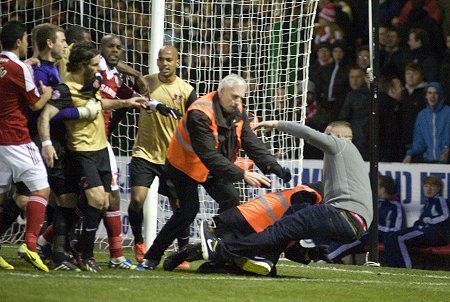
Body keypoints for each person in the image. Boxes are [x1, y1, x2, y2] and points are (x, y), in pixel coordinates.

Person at [137, 74, 292, 270]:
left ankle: (216, 251)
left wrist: (274, 166)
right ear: (221, 92)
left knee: (232, 202)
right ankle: (152, 256)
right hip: (184, 166)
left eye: (241, 98)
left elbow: (250, 142)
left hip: (213, 167)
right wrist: (242, 174)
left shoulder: (238, 111)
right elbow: (208, 154)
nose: (238, 102)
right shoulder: (199, 112)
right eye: (234, 97)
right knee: (187, 212)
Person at [200, 120, 372, 276]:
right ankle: (267, 257)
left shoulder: (341, 145)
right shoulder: (350, 159)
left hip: (342, 214)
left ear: (340, 136)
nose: (324, 138)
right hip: (356, 226)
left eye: (327, 134)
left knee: (278, 229)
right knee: (294, 214)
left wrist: (277, 125)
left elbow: (310, 134)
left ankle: (220, 250)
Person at [37, 42, 146, 272]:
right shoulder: (65, 90)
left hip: (100, 150)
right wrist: (46, 144)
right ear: (82, 65)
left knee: (103, 202)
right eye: (95, 64)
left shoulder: (92, 83)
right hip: (82, 151)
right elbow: (45, 116)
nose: (99, 69)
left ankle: (73, 248)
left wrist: (126, 102)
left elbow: (99, 103)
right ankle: (83, 252)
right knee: (95, 199)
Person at [128, 45, 196, 265]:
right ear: (157, 62)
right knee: (137, 200)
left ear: (177, 62)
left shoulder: (186, 90)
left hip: (172, 158)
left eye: (169, 60)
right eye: (161, 60)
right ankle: (138, 242)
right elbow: (124, 106)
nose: (165, 64)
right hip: (144, 153)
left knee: (179, 205)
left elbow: (195, 124)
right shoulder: (144, 83)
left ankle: (182, 250)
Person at [163, 182, 324, 274]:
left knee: (266, 269)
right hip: (248, 223)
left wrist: (311, 253)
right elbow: (290, 228)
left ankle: (218, 263)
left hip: (243, 220)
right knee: (264, 267)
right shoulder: (310, 196)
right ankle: (203, 256)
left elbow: (290, 247)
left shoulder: (305, 201)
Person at [0, 21, 53, 272]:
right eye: (24, 39)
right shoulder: (20, 68)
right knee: (41, 188)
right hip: (17, 138)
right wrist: (49, 93)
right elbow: (34, 104)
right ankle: (30, 245)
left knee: (1, 197)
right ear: (20, 41)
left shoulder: (10, 66)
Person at [327, 175, 406, 263]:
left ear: (383, 189)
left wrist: (374, 227)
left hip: (375, 236)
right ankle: (327, 258)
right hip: (366, 233)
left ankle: (323, 259)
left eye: (376, 186)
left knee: (349, 241)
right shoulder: (375, 203)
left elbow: (396, 230)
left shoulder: (395, 206)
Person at [384, 175, 450, 268]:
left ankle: (405, 268)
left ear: (438, 188)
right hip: (426, 232)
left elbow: (445, 215)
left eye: (432, 186)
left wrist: (430, 220)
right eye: (426, 186)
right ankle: (392, 267)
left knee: (399, 238)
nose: (429, 189)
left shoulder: (440, 200)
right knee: (389, 236)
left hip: (435, 234)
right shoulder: (427, 204)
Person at [403, 82, 450, 163]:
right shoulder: (422, 115)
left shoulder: (448, 112)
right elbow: (419, 142)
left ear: (441, 96)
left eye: (436, 93)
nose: (432, 96)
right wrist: (410, 154)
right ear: (426, 96)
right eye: (430, 93)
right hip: (429, 162)